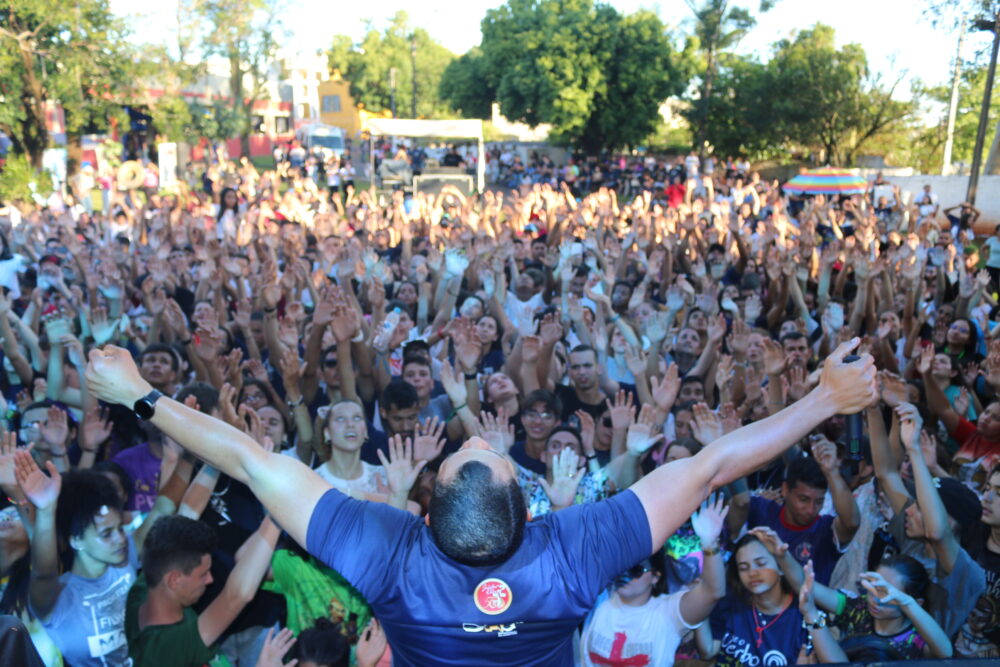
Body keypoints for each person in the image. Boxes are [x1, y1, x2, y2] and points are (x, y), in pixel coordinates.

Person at [83, 338, 876, 665]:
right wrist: (821, 400)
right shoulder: (571, 551)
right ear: (532, 512)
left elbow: (252, 461)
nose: (480, 437)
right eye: (484, 447)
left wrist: (141, 392)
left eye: (471, 446)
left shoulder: (388, 554)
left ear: (421, 521)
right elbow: (709, 467)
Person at [581, 496, 727, 667]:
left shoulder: (667, 612)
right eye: (621, 565)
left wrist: (709, 543)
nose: (625, 573)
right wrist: (560, 506)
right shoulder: (600, 597)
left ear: (656, 576)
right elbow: (562, 562)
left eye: (636, 569)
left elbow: (713, 592)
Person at [123, 514, 279, 666]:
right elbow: (236, 597)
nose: (210, 579)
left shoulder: (143, 589)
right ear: (174, 580)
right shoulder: (163, 652)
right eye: (203, 574)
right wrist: (278, 515)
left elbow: (186, 515)